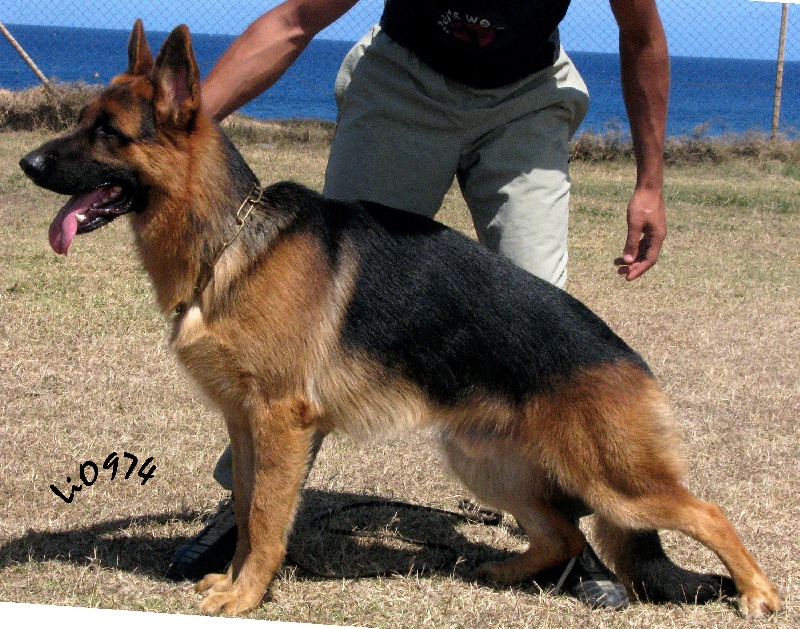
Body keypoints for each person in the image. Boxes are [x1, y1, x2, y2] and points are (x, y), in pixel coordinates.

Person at [166, 0, 669, 610]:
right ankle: (244, 514)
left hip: (527, 96)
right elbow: (292, 20)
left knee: (535, 317)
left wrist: (649, 182)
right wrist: (180, 133)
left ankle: (562, 535)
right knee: (308, 319)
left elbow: (641, 35)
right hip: (402, 84)